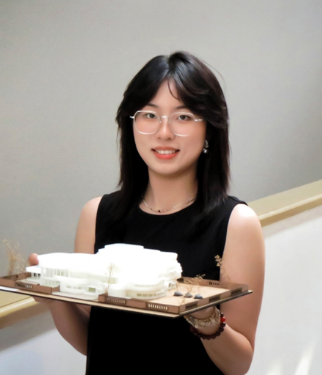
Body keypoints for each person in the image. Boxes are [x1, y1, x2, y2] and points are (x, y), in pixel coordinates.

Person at [29, 51, 265, 375]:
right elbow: (91, 341)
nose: (164, 132)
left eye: (183, 117)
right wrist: (55, 297)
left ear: (209, 129)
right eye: (150, 115)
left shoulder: (236, 223)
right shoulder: (96, 215)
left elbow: (239, 364)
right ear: (131, 124)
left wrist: (207, 319)